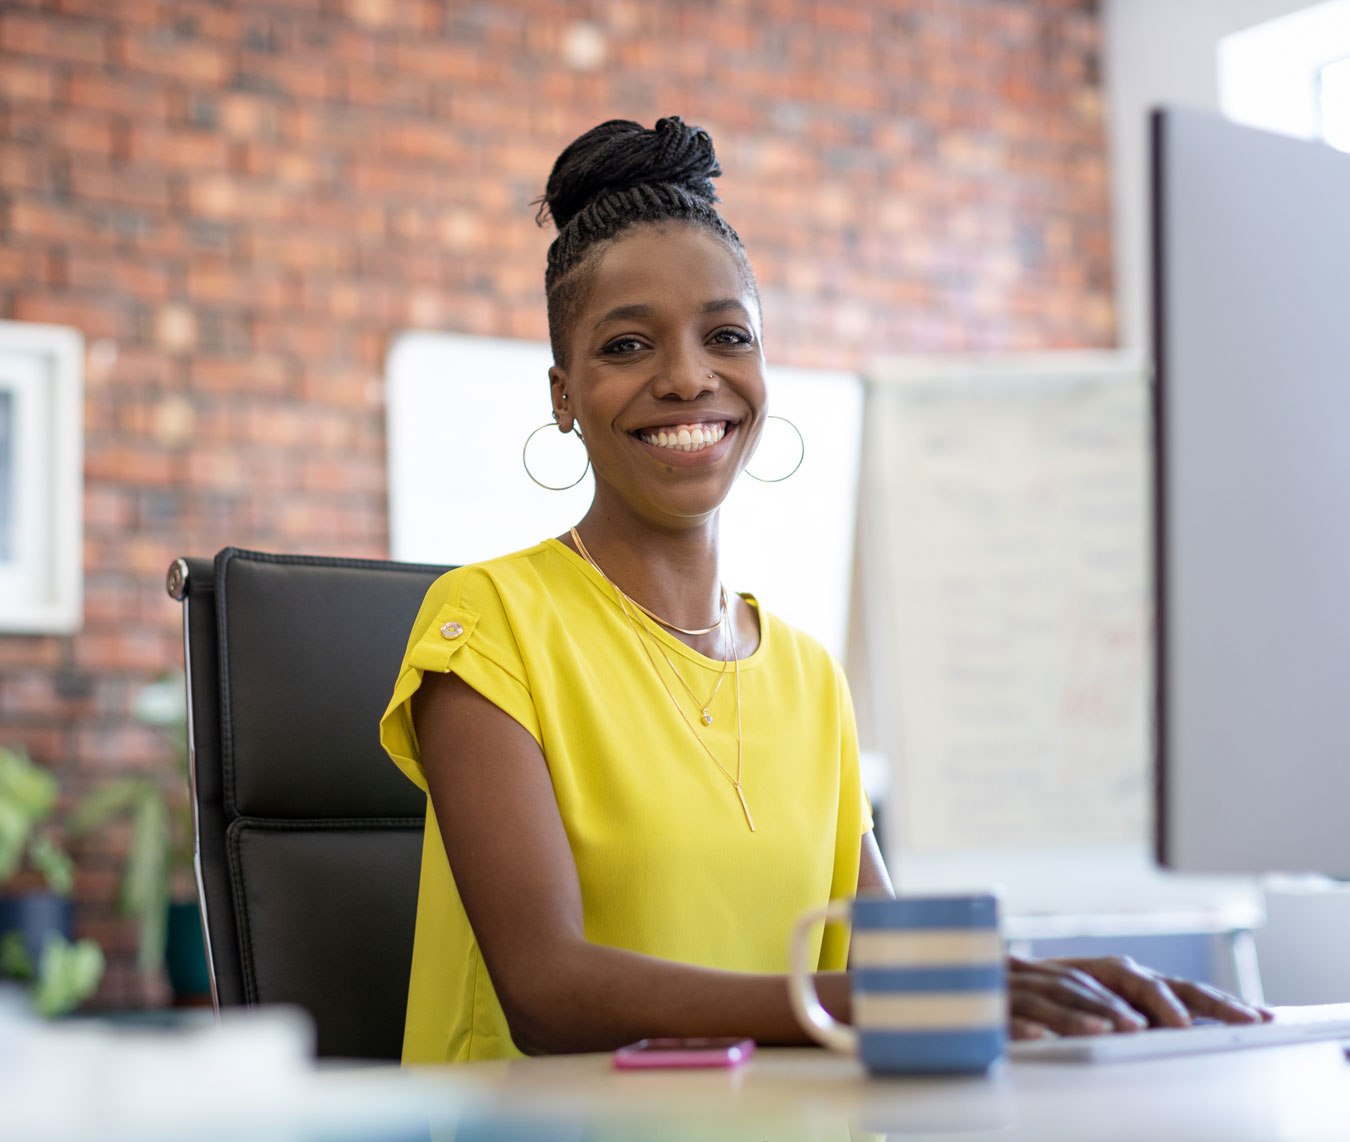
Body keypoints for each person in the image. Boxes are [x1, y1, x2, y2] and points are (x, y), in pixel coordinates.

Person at [380, 116, 1268, 1064]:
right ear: (562, 394)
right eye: (627, 346)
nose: (688, 378)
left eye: (727, 335)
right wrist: (875, 996)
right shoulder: (488, 627)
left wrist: (1065, 984)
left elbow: (887, 957)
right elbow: (548, 991)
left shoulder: (806, 675)